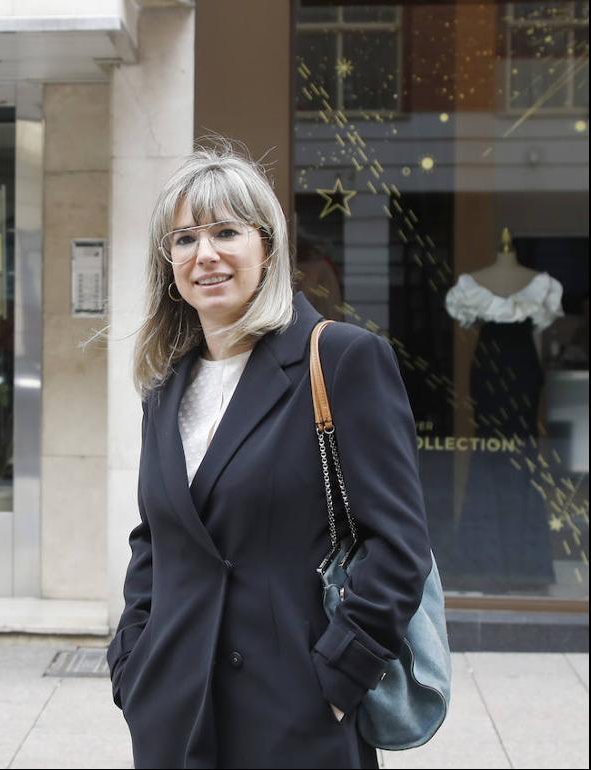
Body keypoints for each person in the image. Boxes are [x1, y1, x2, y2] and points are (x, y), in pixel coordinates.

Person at [107, 142, 432, 769]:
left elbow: (400, 546)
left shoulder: (340, 359)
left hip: (296, 714)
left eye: (226, 231)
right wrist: (132, 661)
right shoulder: (163, 385)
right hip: (174, 712)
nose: (205, 255)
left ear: (269, 248)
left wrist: (338, 680)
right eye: (184, 239)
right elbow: (155, 538)